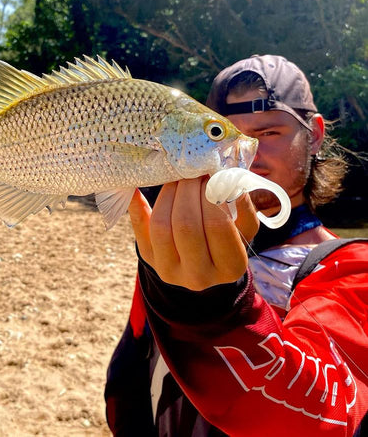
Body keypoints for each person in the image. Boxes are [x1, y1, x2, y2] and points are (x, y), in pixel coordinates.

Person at [105, 55, 368, 436]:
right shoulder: (173, 248)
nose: (246, 155)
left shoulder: (351, 268)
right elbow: (131, 366)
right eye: (221, 135)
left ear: (314, 135)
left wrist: (216, 310)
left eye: (269, 133)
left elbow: (331, 413)